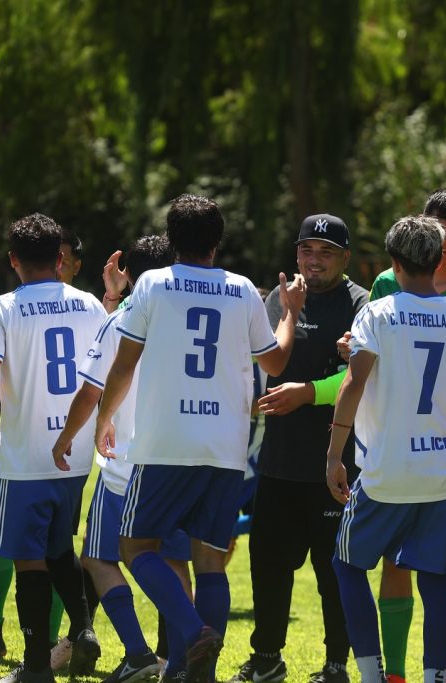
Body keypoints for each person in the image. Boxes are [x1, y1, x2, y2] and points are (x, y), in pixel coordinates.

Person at [93, 194, 306, 683]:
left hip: (166, 442)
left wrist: (105, 419)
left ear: (172, 240)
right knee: (210, 560)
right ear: (218, 241)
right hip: (226, 448)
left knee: (134, 546)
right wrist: (290, 313)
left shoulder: (152, 284)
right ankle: (202, 676)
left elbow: (124, 365)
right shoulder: (242, 290)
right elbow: (275, 362)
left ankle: (193, 632)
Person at [326, 215, 446, 683]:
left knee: (346, 564)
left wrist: (334, 455)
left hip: (387, 471)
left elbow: (353, 383)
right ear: (439, 257)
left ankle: (372, 674)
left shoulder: (377, 312)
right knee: (436, 581)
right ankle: (436, 677)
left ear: (395, 262)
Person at [0, 213, 108, 683]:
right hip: (75, 452)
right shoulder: (90, 305)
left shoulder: (3, 307)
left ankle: (36, 665)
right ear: (60, 259)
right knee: (58, 547)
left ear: (13, 260)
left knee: (29, 560)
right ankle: (82, 627)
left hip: (26, 457)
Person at [230, 214, 368, 683]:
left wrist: (307, 392)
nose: (314, 260)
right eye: (307, 250)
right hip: (278, 460)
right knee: (268, 567)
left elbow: (363, 379)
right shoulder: (280, 298)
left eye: (326, 252)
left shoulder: (361, 304)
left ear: (345, 258)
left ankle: (336, 665)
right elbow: (268, 360)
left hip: (336, 465)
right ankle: (267, 657)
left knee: (335, 574)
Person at [50, 234, 191, 683]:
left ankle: (137, 651)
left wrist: (67, 437)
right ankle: (181, 664)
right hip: (182, 463)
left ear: (129, 273)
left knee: (97, 558)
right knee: (175, 563)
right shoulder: (188, 316)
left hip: (126, 466)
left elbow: (91, 390)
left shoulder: (122, 321)